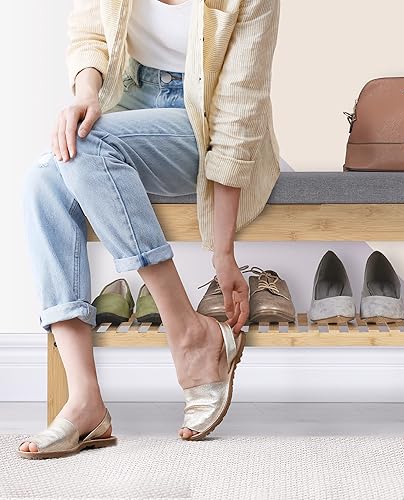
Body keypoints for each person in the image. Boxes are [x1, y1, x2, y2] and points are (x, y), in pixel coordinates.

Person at [18, 0, 280, 458]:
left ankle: (190, 333)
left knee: (87, 148)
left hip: (202, 122)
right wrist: (86, 93)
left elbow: (238, 115)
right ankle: (85, 401)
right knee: (44, 177)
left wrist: (223, 253)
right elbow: (90, 33)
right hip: (128, 103)